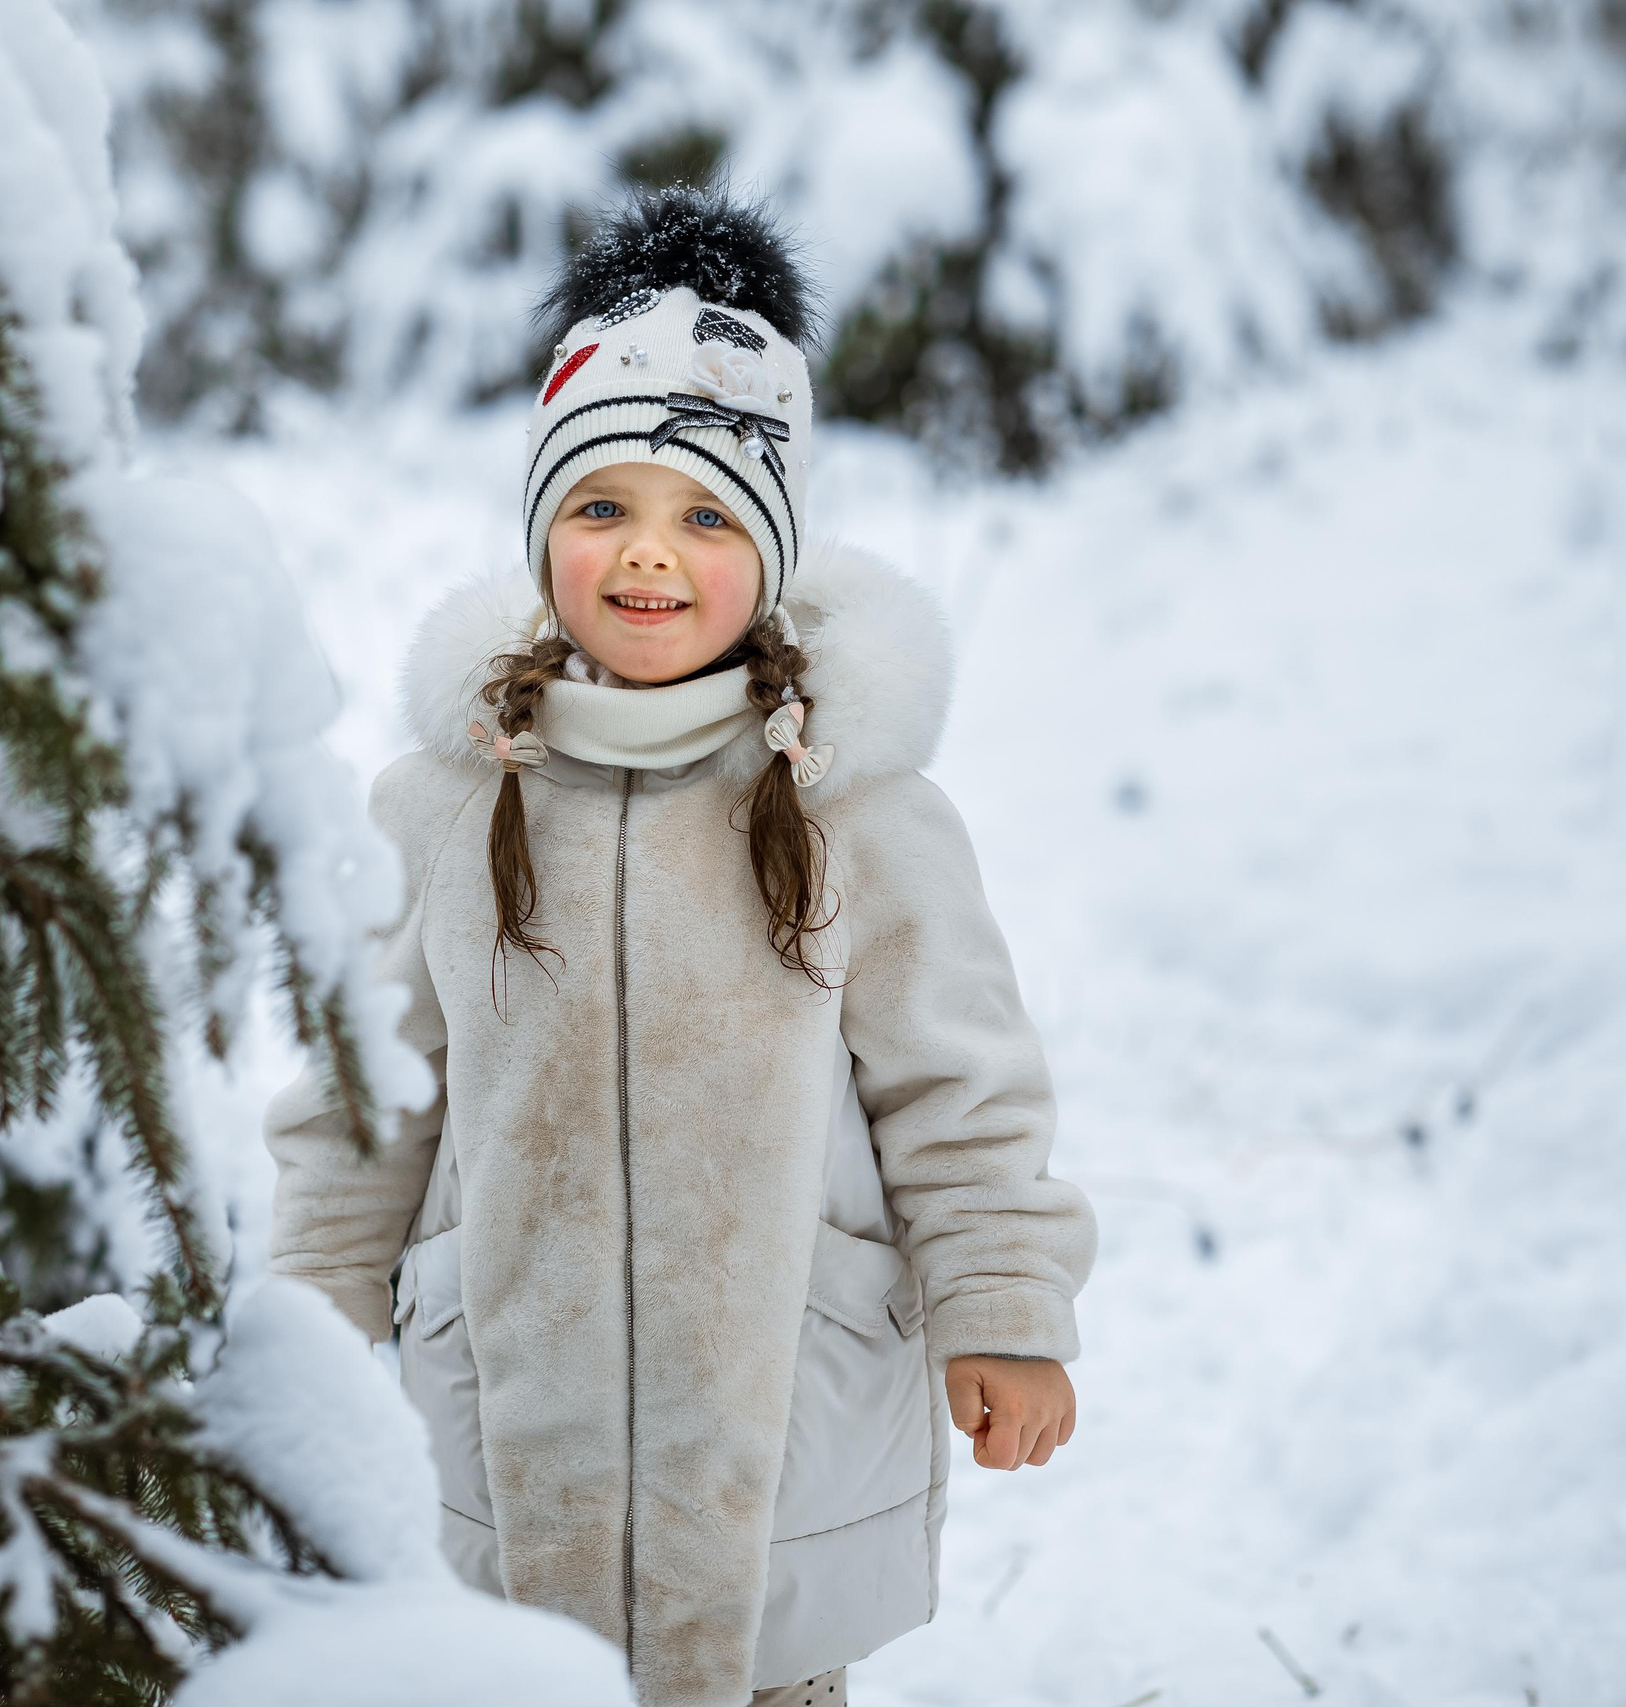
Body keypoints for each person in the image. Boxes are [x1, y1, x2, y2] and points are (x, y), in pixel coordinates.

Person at [263, 185, 1097, 1707]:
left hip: (781, 1428)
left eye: (706, 515)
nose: (650, 558)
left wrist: (1006, 1308)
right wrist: (317, 1320)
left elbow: (960, 1096)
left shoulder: (861, 810)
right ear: (543, 532)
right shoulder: (447, 800)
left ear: (770, 548)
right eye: (604, 508)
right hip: (507, 1430)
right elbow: (360, 1096)